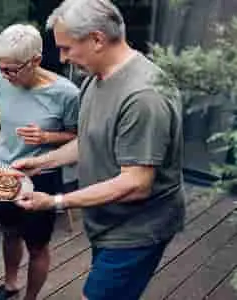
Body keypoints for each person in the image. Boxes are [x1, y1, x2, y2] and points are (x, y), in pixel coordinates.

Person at [11, 1, 186, 300]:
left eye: (67, 48)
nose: (63, 58)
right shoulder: (96, 79)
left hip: (135, 229)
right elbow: (92, 139)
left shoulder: (143, 96)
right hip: (105, 220)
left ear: (96, 39)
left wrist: (55, 201)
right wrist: (41, 163)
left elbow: (137, 184)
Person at [0, 24, 80, 300]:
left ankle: (30, 298)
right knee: (9, 233)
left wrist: (47, 135)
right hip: (0, 170)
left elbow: (77, 138)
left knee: (37, 246)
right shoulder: (2, 81)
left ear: (35, 61)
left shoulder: (67, 94)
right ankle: (10, 285)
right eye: (0, 67)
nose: (3, 75)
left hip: (40, 178)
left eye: (11, 69)